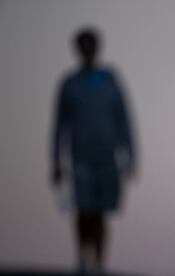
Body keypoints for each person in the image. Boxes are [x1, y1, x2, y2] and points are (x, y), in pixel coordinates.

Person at [51, 27, 135, 274]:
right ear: (77, 49)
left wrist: (130, 155)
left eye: (91, 45)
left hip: (106, 156)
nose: (87, 50)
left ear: (97, 48)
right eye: (83, 45)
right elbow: (59, 125)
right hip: (80, 157)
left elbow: (124, 119)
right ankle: (82, 259)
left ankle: (99, 263)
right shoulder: (69, 84)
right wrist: (55, 160)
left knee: (100, 212)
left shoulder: (110, 80)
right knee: (83, 210)